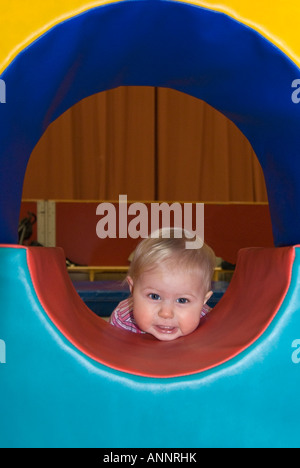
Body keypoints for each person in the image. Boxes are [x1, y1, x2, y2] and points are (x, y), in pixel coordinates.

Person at [109, 228, 216, 341]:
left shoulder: (207, 322)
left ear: (203, 300)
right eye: (154, 296)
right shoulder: (122, 320)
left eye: (182, 300)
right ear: (133, 288)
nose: (166, 313)